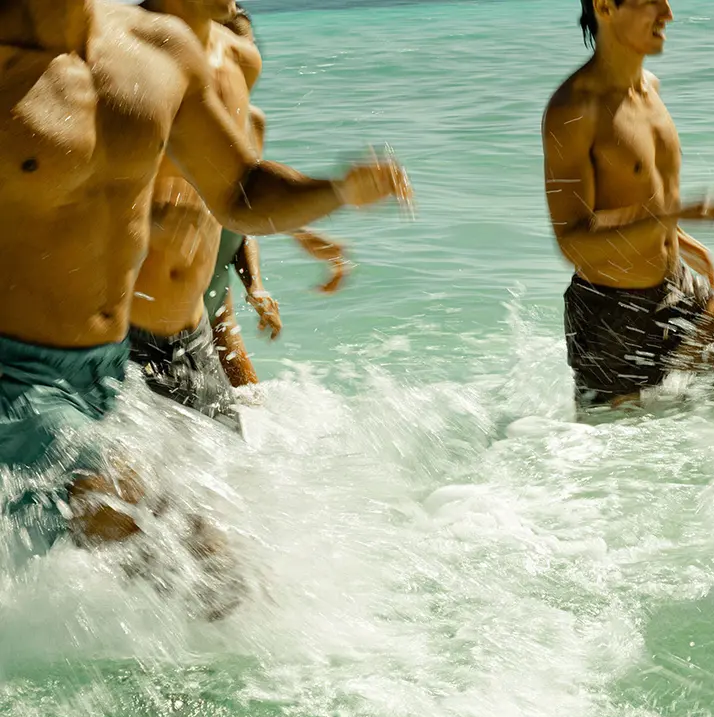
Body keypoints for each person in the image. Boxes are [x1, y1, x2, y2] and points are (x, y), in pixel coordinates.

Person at [0, 0, 412, 566]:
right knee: (189, 553)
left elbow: (239, 189)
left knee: (212, 557)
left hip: (109, 376)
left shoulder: (159, 49)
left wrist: (336, 191)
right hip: (13, 381)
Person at [542, 0, 714, 412]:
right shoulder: (573, 108)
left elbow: (639, 195)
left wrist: (682, 240)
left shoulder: (650, 88)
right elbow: (573, 241)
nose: (668, 13)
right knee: (617, 465)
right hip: (613, 316)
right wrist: (669, 217)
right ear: (605, 6)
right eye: (651, 1)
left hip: (677, 289)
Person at [131, 1, 360, 425]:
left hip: (201, 303)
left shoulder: (247, 121)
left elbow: (238, 200)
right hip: (146, 314)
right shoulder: (142, 77)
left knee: (240, 425)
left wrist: (299, 234)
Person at [204, 3, 352, 389]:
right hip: (166, 316)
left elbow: (240, 206)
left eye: (251, 52)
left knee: (251, 415)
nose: (247, 67)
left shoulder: (253, 122)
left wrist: (256, 283)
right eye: (235, 55)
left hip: (218, 309)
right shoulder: (179, 124)